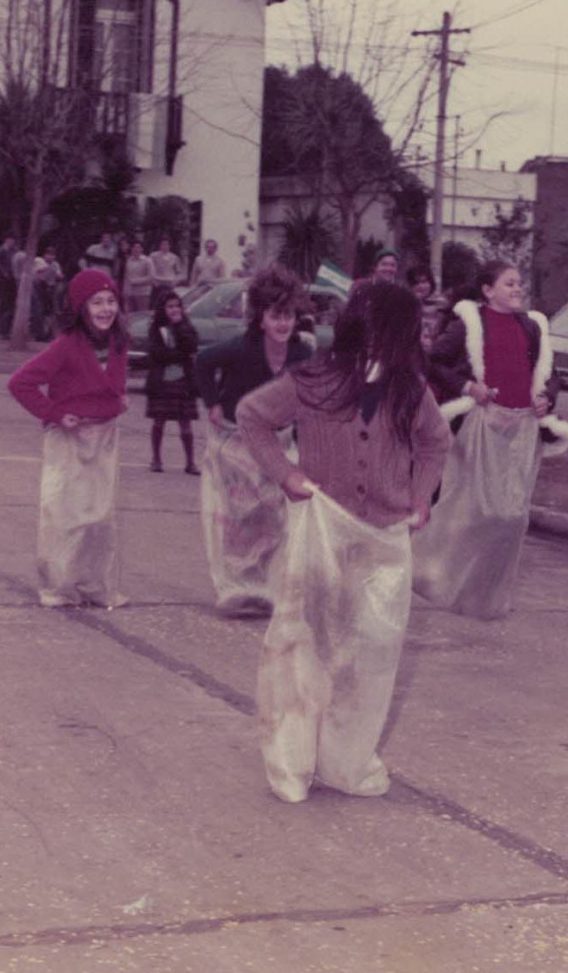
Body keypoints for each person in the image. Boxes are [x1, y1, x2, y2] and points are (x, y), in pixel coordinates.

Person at [237, 283, 452, 803]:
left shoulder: (410, 390)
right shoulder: (315, 380)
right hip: (322, 530)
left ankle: (345, 760)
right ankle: (291, 762)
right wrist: (285, 474)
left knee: (369, 652)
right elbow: (252, 416)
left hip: (382, 536)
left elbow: (436, 441)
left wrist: (421, 497)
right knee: (305, 643)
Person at [415, 261, 568, 619]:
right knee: (475, 510)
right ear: (488, 290)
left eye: (520, 283)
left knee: (513, 517)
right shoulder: (470, 325)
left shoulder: (533, 327)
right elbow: (432, 360)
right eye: (509, 284)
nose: (518, 289)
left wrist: (545, 397)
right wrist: (468, 385)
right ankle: (431, 573)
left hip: (523, 431)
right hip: (483, 425)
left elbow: (551, 377)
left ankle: (488, 597)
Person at [193, 268, 314, 616]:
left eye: (288, 316)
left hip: (278, 443)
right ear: (260, 319)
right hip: (235, 443)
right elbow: (202, 362)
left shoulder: (301, 354)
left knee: (276, 517)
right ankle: (236, 588)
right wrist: (213, 401)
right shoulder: (241, 348)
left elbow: (309, 398)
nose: (282, 323)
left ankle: (268, 587)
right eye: (275, 316)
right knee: (237, 518)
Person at [6, 269, 130, 609]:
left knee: (101, 517)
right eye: (96, 303)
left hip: (104, 437)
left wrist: (118, 399)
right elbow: (20, 383)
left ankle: (96, 586)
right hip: (69, 437)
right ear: (80, 308)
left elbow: (108, 382)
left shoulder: (119, 342)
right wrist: (55, 413)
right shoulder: (65, 346)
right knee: (64, 513)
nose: (105, 309)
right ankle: (59, 587)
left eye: (110, 301)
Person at [144, 293, 201, 474]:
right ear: (163, 309)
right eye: (170, 306)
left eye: (177, 306)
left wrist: (179, 327)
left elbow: (191, 345)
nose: (175, 309)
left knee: (185, 423)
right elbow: (157, 354)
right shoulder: (156, 328)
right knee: (158, 421)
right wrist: (180, 354)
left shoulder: (186, 327)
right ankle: (156, 459)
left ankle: (190, 462)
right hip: (161, 381)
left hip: (183, 381)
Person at [0, 235, 19, 338]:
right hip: (5, 280)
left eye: (13, 240)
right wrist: (3, 272)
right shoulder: (2, 250)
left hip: (13, 280)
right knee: (5, 304)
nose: (12, 242)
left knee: (11, 305)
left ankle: (8, 330)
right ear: (6, 240)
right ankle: (3, 331)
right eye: (10, 240)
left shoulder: (14, 251)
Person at [122, 240, 154, 314]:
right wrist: (125, 291)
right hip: (130, 292)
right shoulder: (129, 260)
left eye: (138, 247)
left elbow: (151, 277)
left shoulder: (147, 260)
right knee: (130, 314)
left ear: (142, 249)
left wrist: (136, 281)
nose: (136, 249)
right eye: (134, 247)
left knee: (142, 314)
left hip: (143, 293)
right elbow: (126, 276)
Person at [150, 237, 184, 302]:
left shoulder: (174, 257)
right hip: (158, 283)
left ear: (169, 246)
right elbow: (150, 270)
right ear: (159, 246)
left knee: (168, 301)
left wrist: (175, 282)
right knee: (156, 302)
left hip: (169, 283)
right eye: (163, 244)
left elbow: (179, 272)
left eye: (167, 244)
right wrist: (153, 282)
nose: (165, 246)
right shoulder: (153, 256)